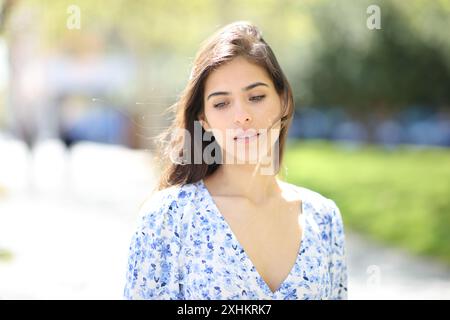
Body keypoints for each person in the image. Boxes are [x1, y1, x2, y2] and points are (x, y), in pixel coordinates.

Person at [124, 21, 348, 300]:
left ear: (284, 102)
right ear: (203, 121)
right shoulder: (168, 217)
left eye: (256, 97)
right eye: (221, 103)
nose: (241, 116)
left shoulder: (323, 218)